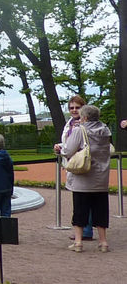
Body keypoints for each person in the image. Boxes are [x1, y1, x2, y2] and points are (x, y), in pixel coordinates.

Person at [54, 104, 112, 253]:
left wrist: (60, 149)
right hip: (101, 176)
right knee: (101, 209)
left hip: (83, 177)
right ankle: (103, 242)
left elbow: (68, 150)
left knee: (80, 209)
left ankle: (78, 242)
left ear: (84, 117)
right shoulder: (105, 130)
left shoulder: (81, 130)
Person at [62, 96, 93, 242]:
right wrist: (61, 146)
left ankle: (84, 230)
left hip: (84, 165)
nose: (74, 110)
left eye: (77, 107)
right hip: (74, 164)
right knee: (80, 199)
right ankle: (83, 230)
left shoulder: (86, 125)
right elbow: (68, 144)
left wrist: (63, 150)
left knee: (83, 199)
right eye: (71, 108)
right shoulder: (69, 125)